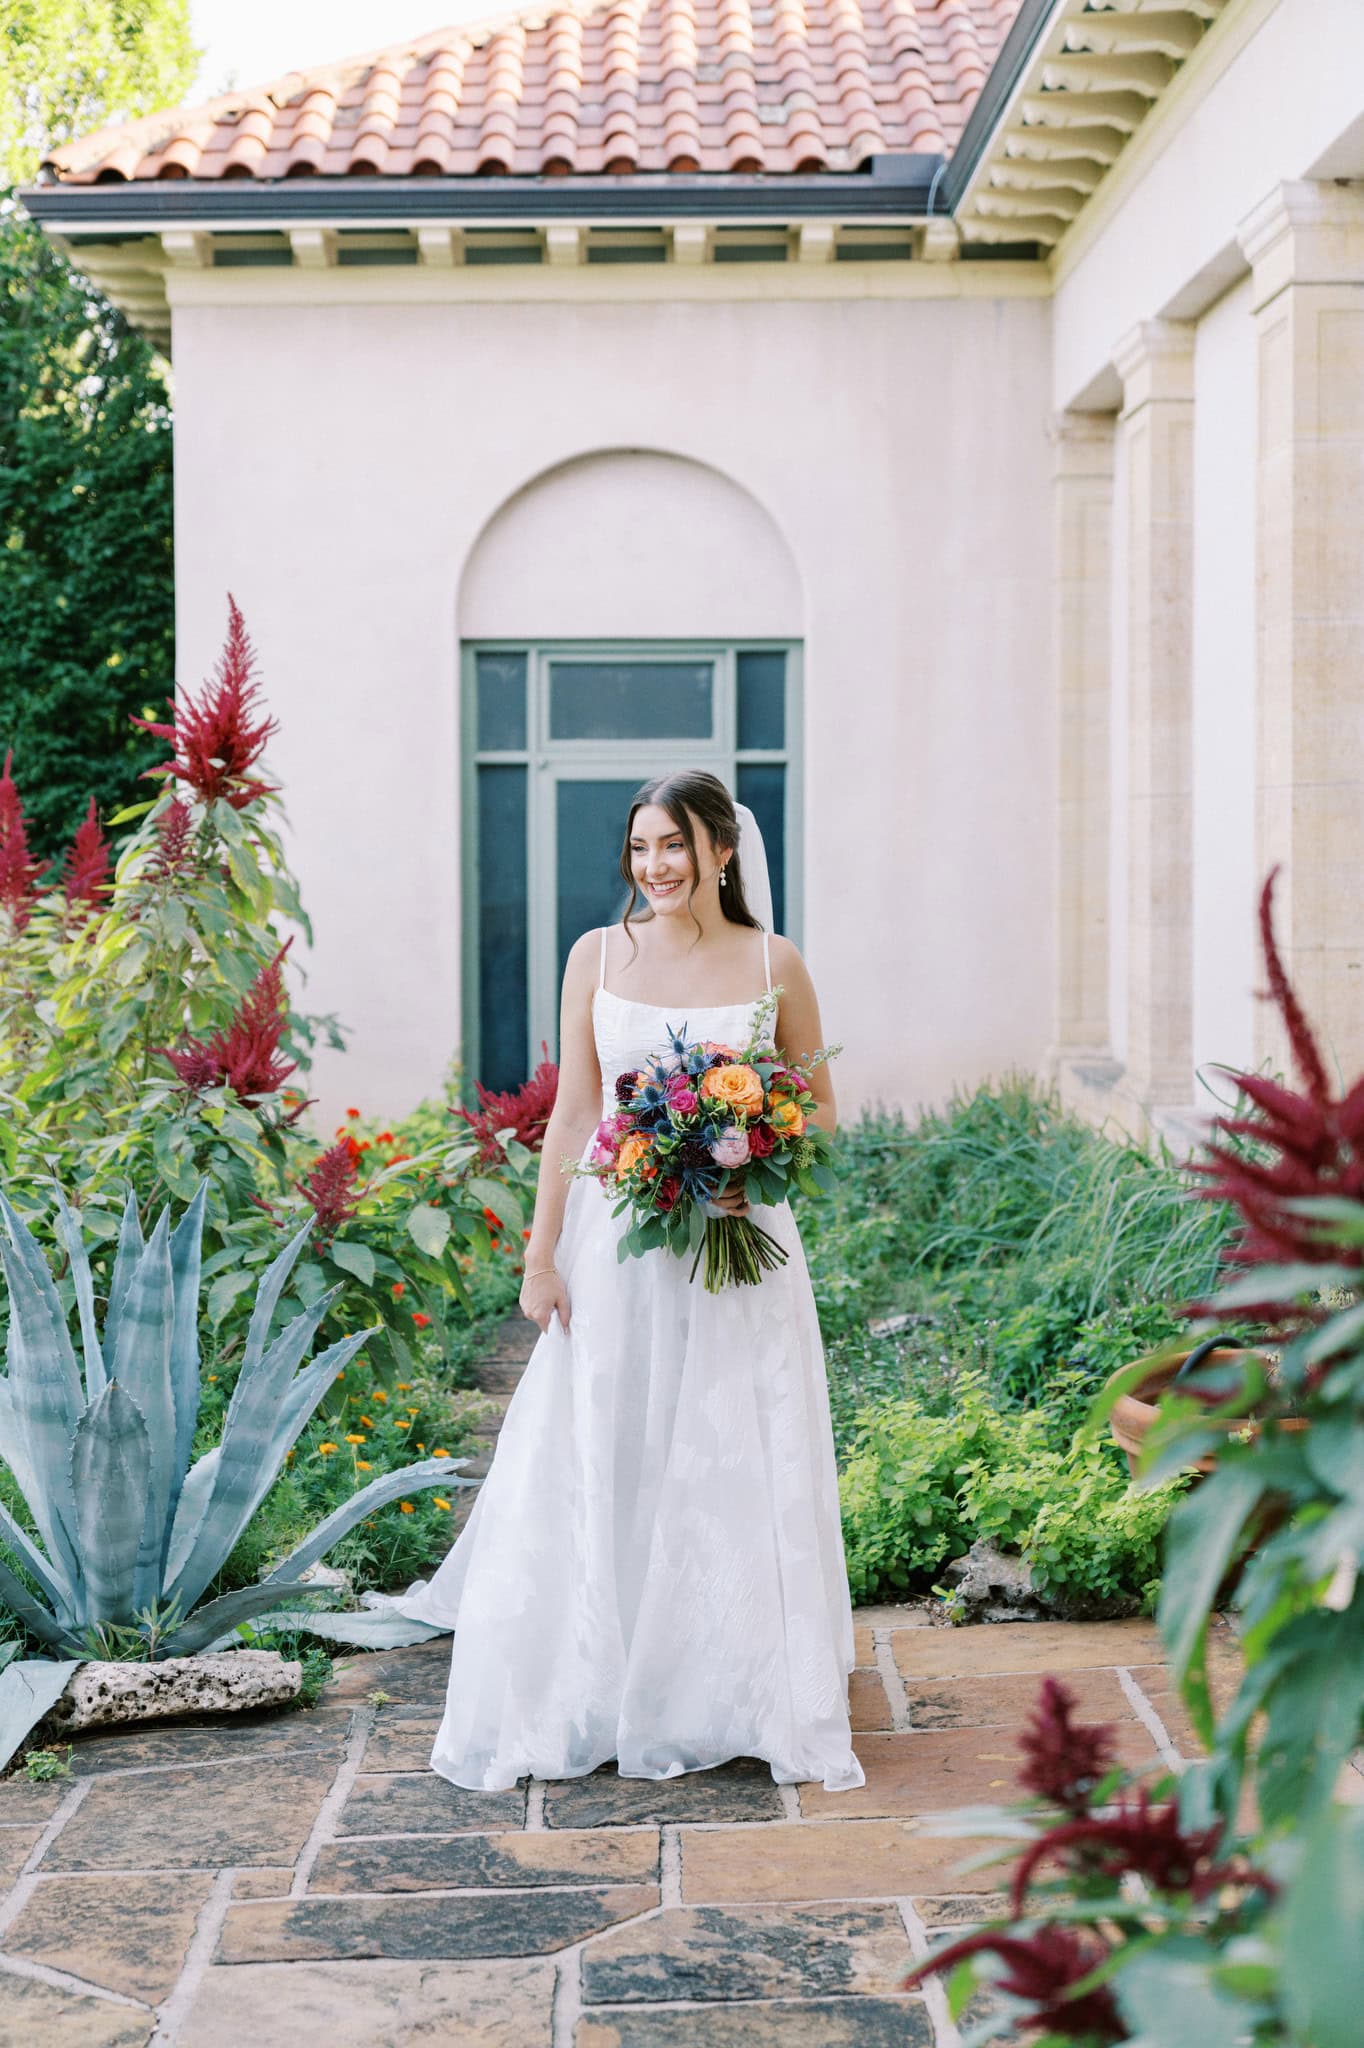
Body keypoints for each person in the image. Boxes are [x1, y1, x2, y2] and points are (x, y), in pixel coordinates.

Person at [392, 769, 865, 1794]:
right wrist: (540, 1254)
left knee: (729, 1438)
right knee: (610, 1433)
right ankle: (600, 1677)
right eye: (641, 847)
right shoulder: (595, 955)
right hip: (618, 1238)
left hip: (736, 1242)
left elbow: (822, 1110)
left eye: (674, 847)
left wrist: (747, 1146)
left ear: (721, 853)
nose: (654, 867)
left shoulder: (773, 960)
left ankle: (728, 1683)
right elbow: (572, 1112)